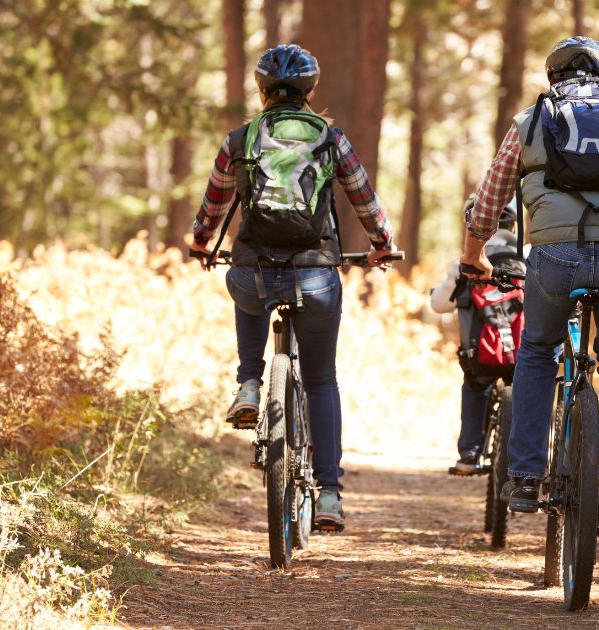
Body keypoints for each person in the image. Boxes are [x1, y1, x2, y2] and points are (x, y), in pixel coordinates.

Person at [461, 36, 599, 526]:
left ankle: (523, 477)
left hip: (555, 257)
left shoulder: (533, 120)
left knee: (538, 352)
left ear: (553, 77)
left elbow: (489, 199)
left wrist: (473, 257)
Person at [189, 44, 396, 531]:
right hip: (316, 271)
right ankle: (328, 495)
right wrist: (382, 244)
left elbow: (214, 205)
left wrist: (201, 243)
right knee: (322, 381)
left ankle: (249, 382)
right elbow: (364, 198)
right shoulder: (331, 139)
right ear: (310, 91)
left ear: (261, 90)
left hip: (253, 269)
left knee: (248, 286)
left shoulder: (240, 140)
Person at [430, 196, 524, 474]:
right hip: (523, 353)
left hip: (479, 355)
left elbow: (439, 304)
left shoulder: (464, 263)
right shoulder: (527, 256)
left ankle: (470, 454)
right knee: (528, 389)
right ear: (513, 225)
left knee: (475, 385)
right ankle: (528, 460)